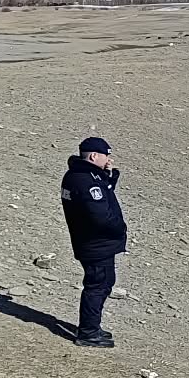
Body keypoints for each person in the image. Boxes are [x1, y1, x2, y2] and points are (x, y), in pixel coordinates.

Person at [59, 136, 127, 348]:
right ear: (94, 155)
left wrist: (108, 175)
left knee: (101, 284)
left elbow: (103, 191)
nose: (109, 159)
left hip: (92, 243)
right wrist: (119, 228)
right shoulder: (85, 180)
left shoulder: (79, 175)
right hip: (96, 244)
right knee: (98, 286)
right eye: (106, 155)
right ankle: (88, 332)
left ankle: (91, 327)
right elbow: (99, 214)